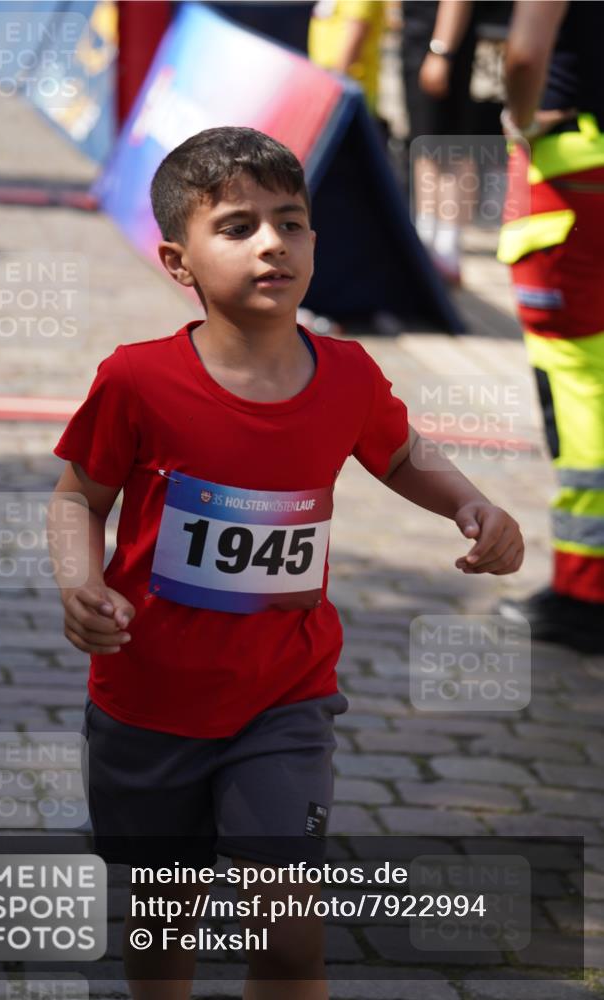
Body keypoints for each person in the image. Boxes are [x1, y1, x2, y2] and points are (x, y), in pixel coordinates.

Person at [49, 126, 524, 999]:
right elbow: (78, 498)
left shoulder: (346, 374)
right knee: (164, 919)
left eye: (290, 221)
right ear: (178, 262)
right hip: (148, 701)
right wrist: (81, 583)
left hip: (284, 698)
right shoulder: (137, 381)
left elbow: (400, 452)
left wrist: (471, 503)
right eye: (237, 227)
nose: (272, 242)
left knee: (287, 933)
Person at [496, 1, 604, 653]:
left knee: (578, 384)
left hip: (572, 169)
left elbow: (523, 55)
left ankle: (586, 591)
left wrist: (521, 120)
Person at [401, 0, 478, 285]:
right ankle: (428, 242)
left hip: (440, 47)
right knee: (425, 146)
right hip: (424, 43)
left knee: (449, 150)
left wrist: (441, 52)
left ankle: (445, 248)